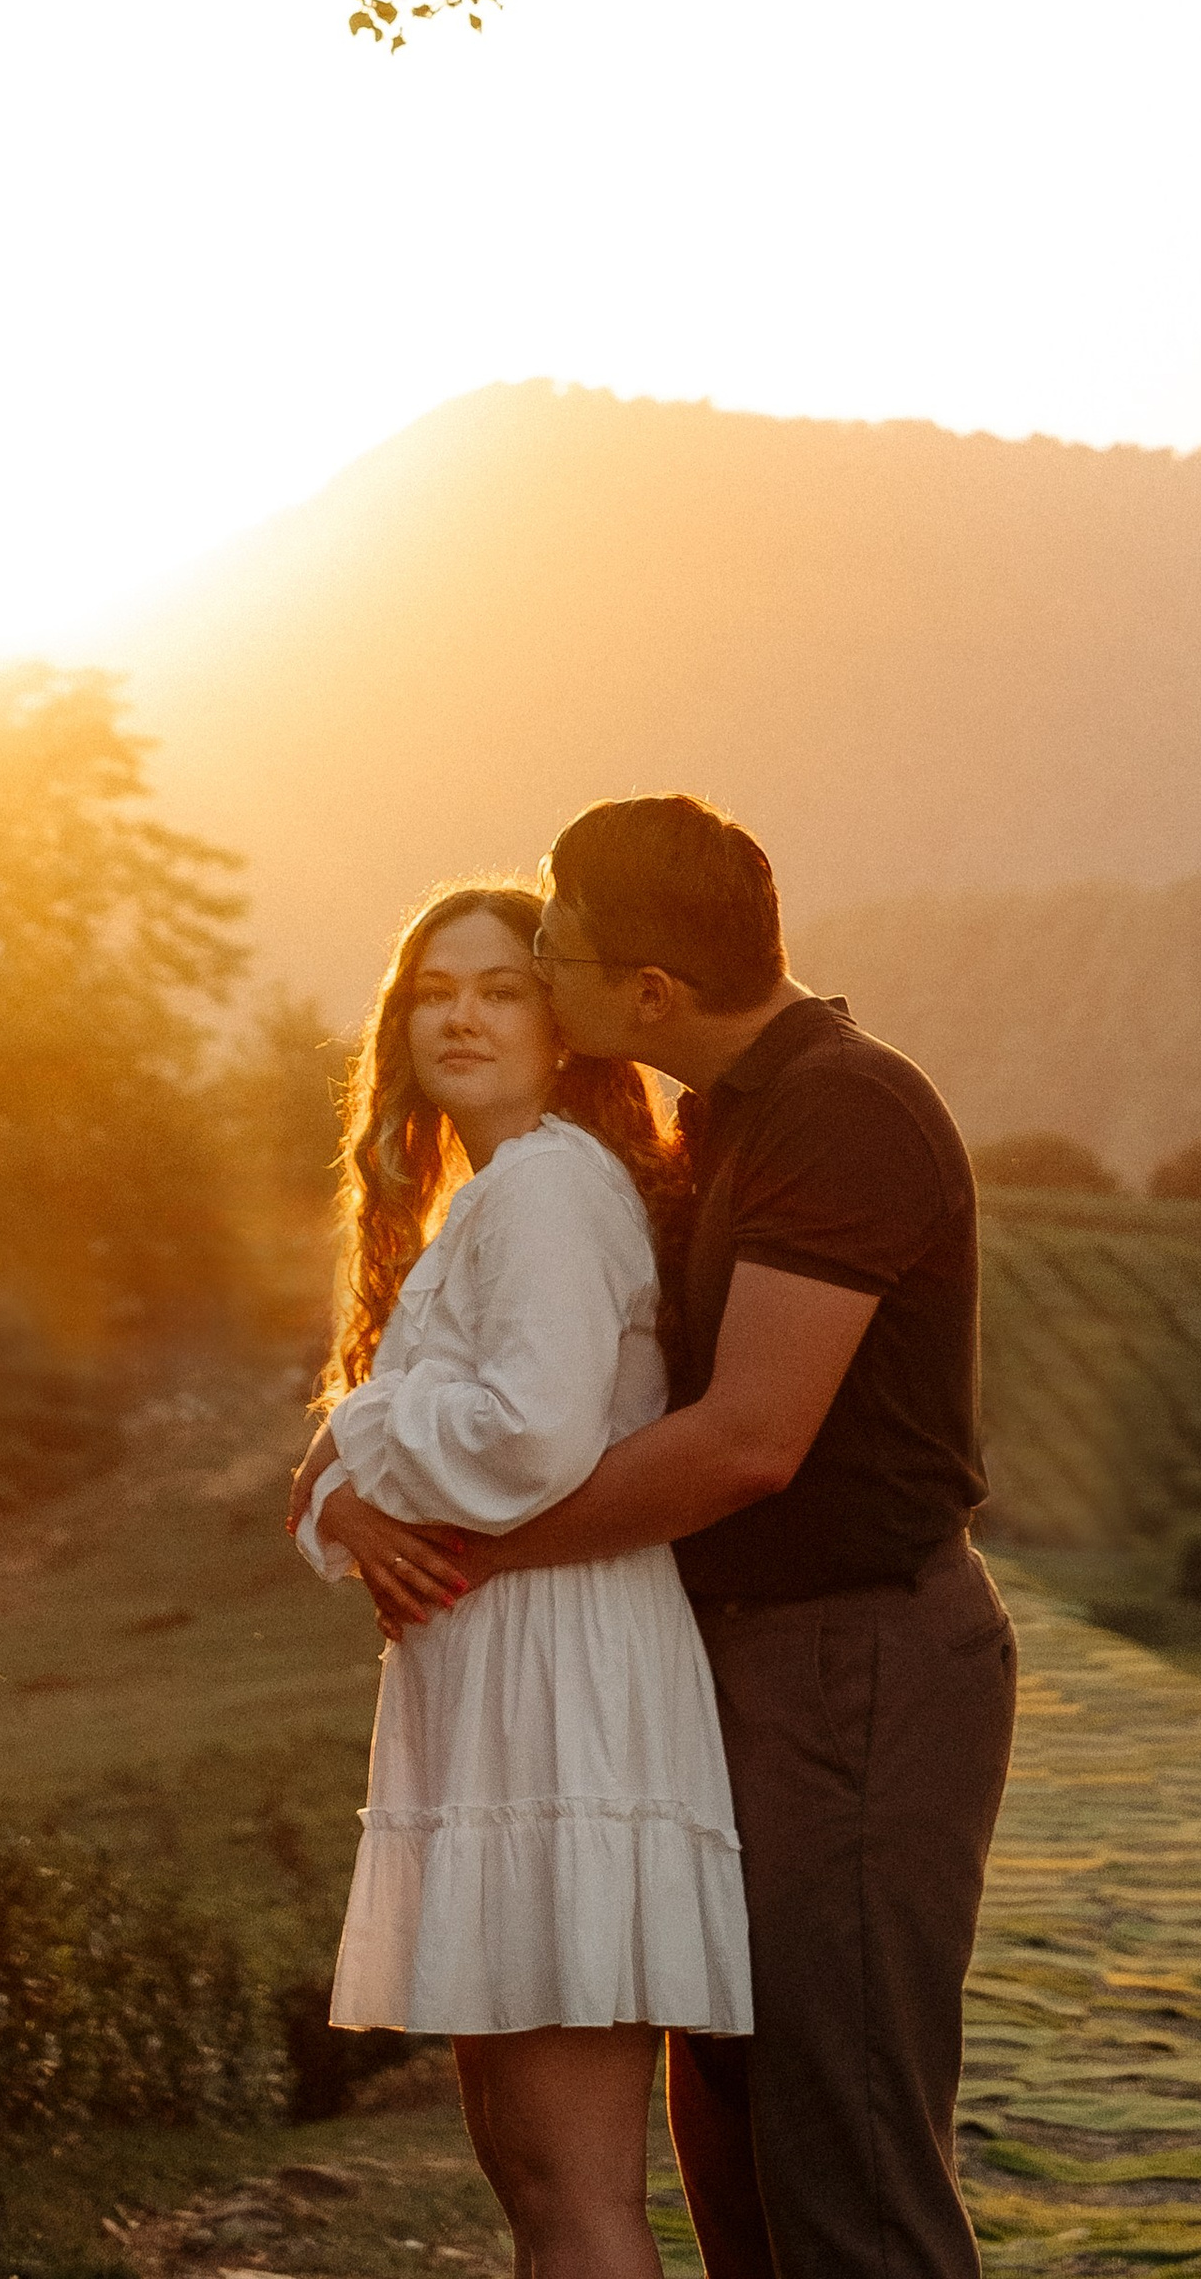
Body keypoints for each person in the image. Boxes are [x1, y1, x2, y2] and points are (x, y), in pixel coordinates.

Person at [348, 797, 1015, 2279]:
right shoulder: (723, 1119)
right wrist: (345, 1483)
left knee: (845, 2160)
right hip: (734, 1662)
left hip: (859, 1661)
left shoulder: (845, 1109)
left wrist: (476, 1551)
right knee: (744, 2163)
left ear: (647, 995)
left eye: (552, 950)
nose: (533, 961)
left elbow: (746, 1444)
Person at [286, 878, 750, 2279]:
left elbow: (532, 1439)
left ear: (564, 1030)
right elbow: (368, 1493)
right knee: (533, 2172)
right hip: (505, 1676)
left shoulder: (550, 1184)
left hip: (566, 1675)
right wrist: (348, 1498)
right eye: (435, 991)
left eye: (499, 989)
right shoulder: (495, 1197)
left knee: (576, 2184)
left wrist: (352, 1432)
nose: (463, 1017)